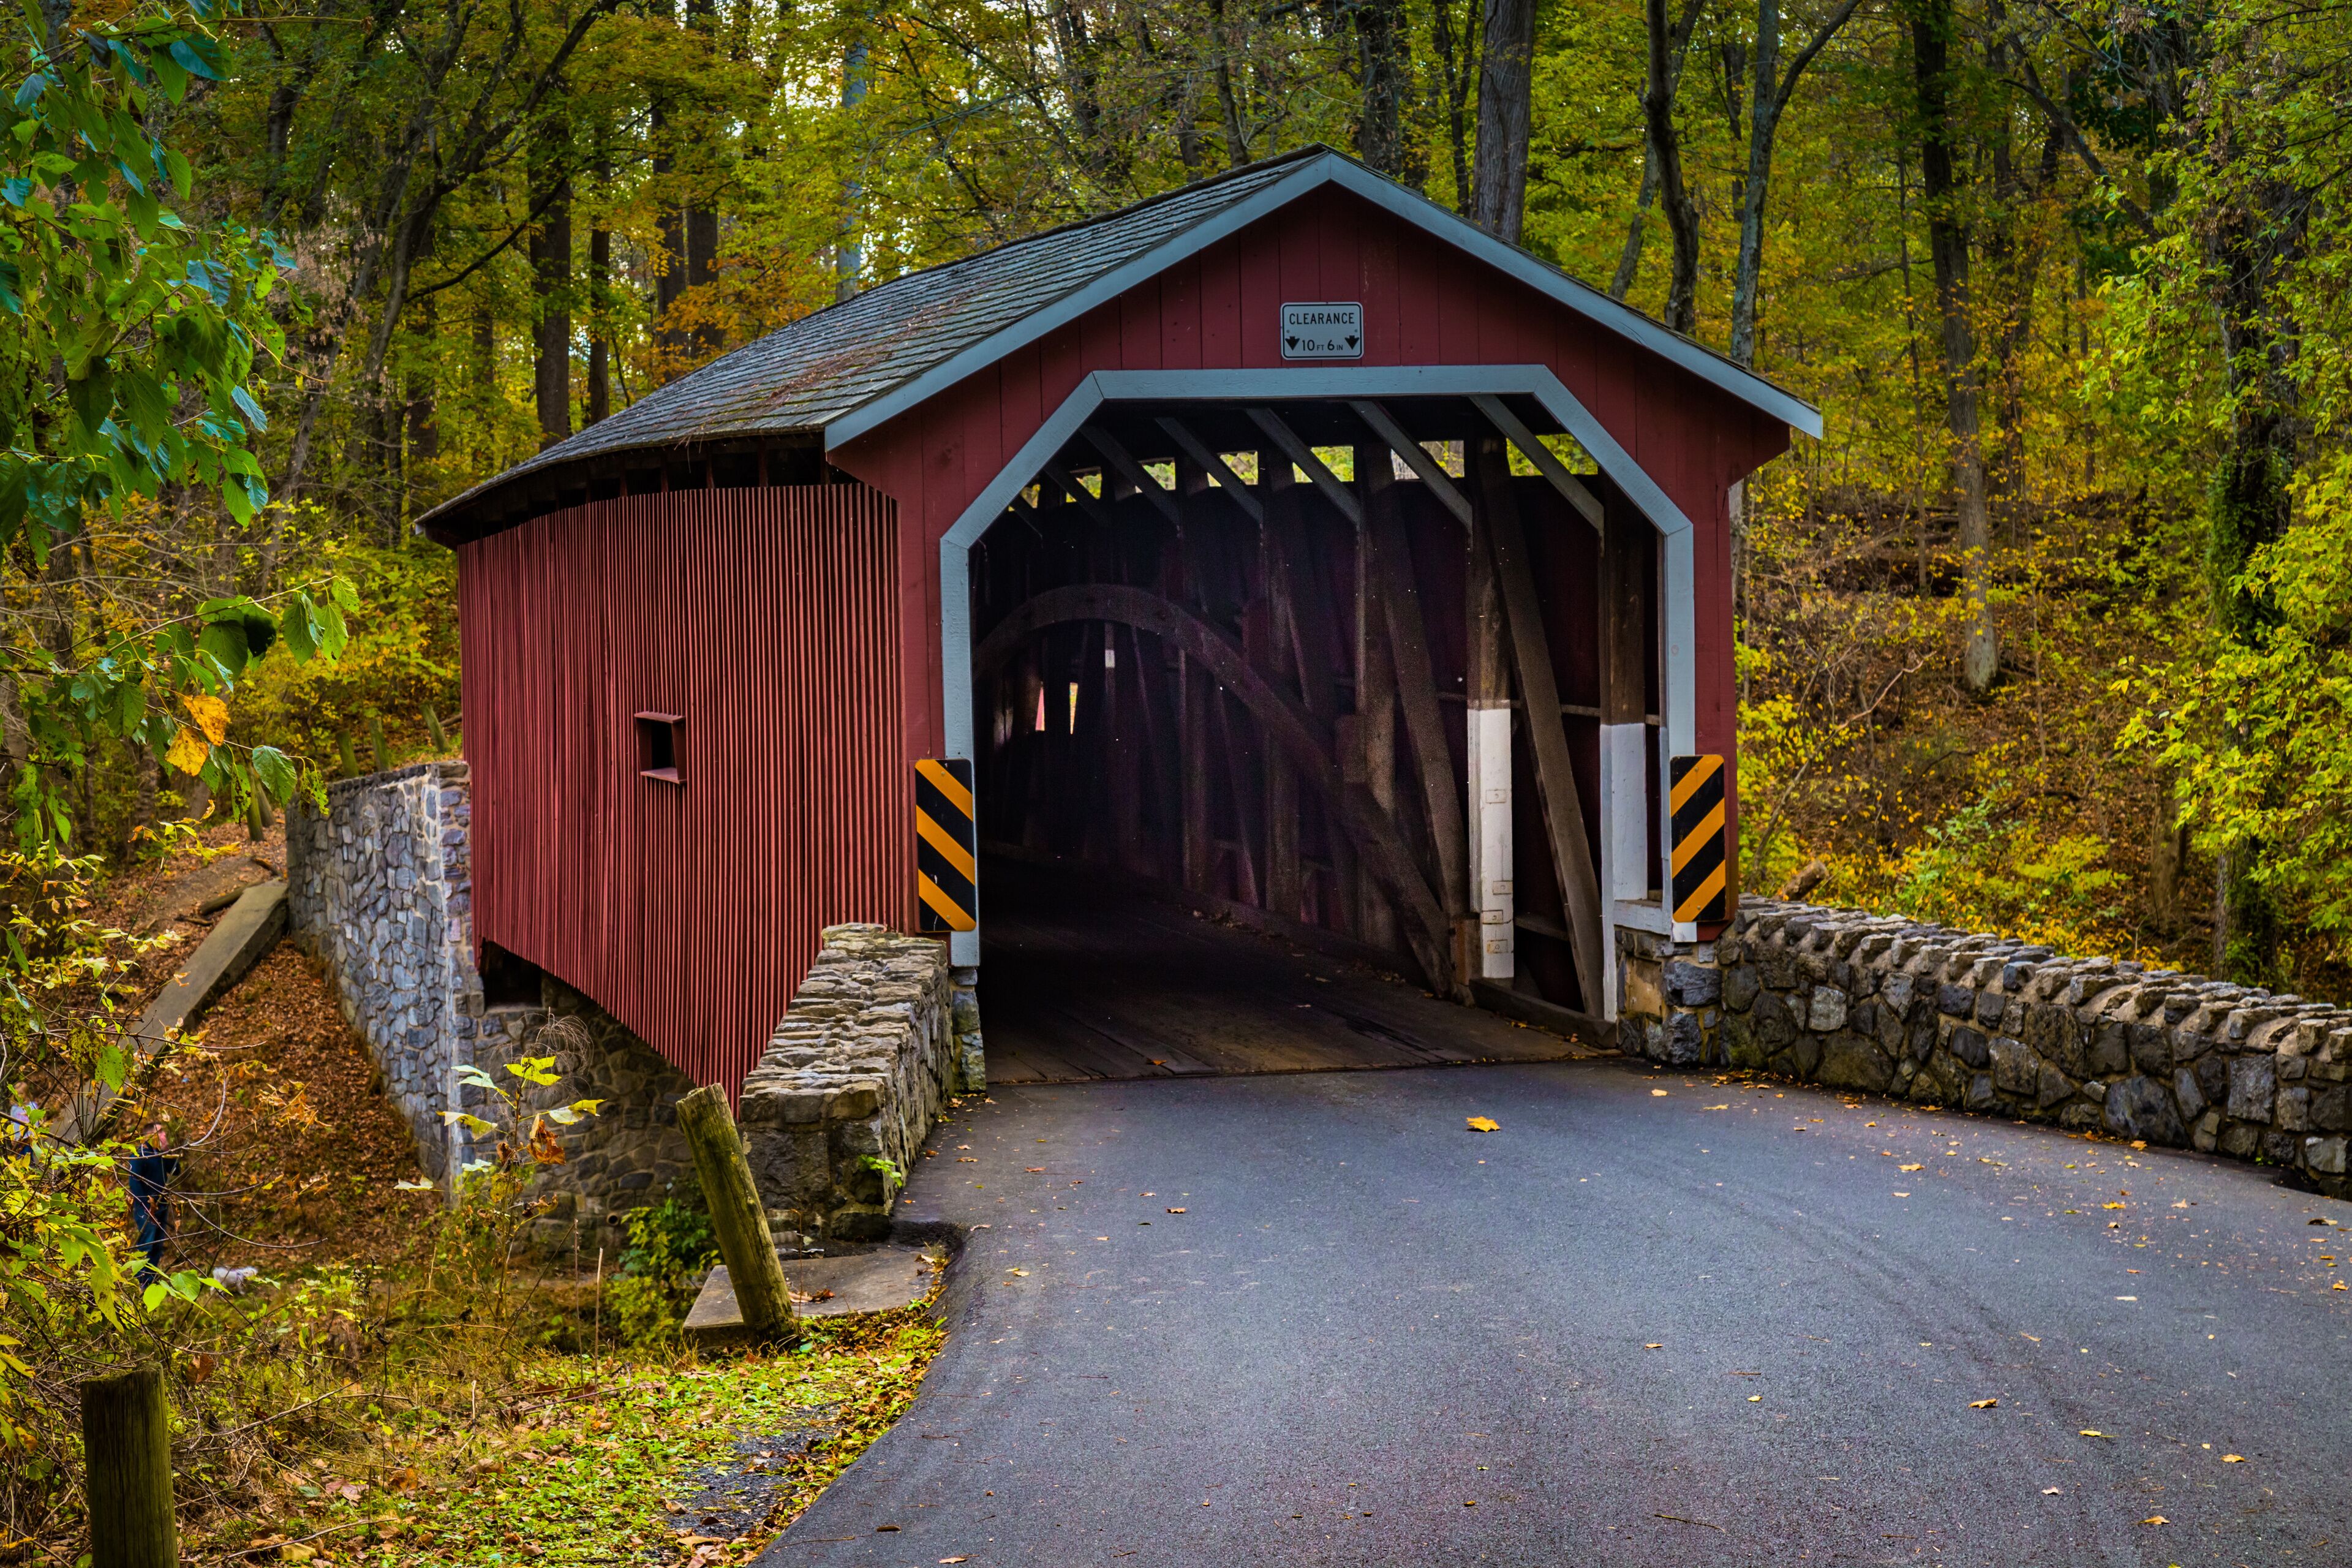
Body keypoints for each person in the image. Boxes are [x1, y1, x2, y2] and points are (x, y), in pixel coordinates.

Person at [127, 1121, 179, 1277]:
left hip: (162, 1206)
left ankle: (150, 1279)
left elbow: (176, 1170)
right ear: (150, 1135)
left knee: (157, 1245)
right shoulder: (140, 1154)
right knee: (147, 1244)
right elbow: (134, 1183)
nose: (164, 1135)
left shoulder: (159, 1154)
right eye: (161, 1132)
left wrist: (168, 1152)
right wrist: (146, 1207)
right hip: (146, 1209)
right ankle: (141, 1279)